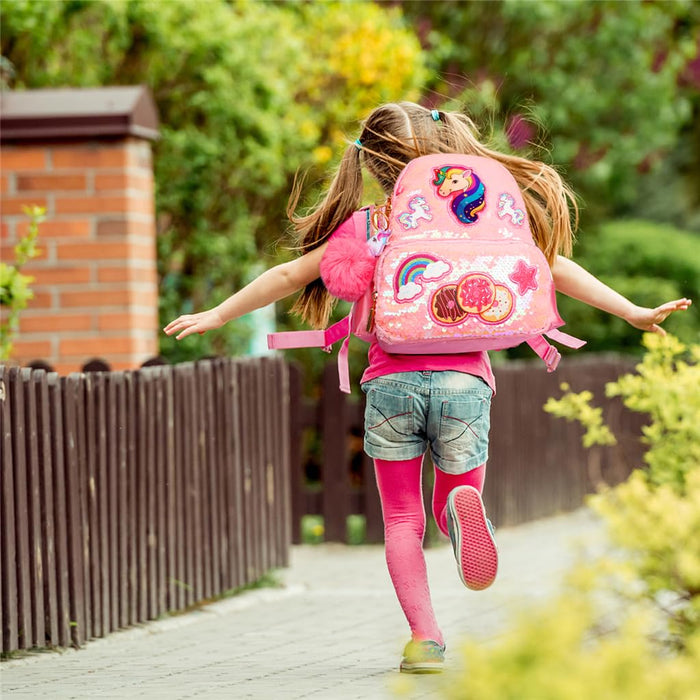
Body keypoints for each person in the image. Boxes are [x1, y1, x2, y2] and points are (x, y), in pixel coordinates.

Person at [164, 102, 691, 674]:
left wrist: (218, 314)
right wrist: (632, 310)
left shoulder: (371, 224)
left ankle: (425, 637)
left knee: (399, 520)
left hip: (392, 384)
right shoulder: (483, 217)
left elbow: (291, 274)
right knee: (453, 497)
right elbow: (552, 267)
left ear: (374, 166)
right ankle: (463, 511)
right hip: (466, 382)